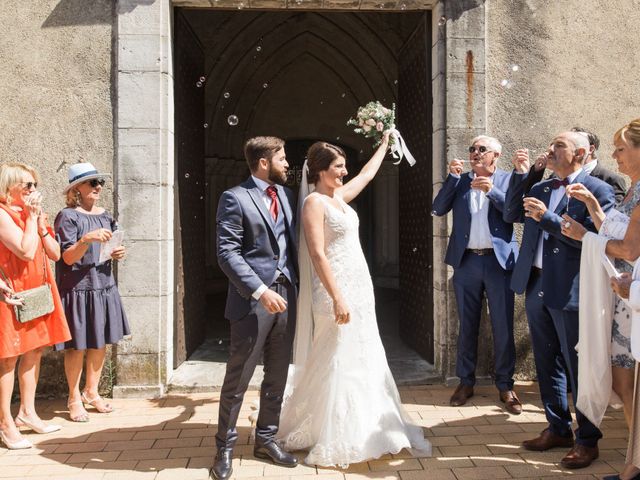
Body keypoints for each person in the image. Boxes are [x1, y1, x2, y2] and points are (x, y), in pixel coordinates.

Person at [277, 134, 430, 467]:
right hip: (334, 291)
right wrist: (337, 297)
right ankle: (336, 431)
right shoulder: (314, 203)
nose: (344, 173)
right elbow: (317, 254)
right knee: (336, 355)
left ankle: (369, 423)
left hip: (360, 288)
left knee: (363, 351)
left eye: (344, 167)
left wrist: (386, 141)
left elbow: (367, 175)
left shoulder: (339, 198)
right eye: (338, 167)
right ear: (319, 171)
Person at [504, 131, 615, 469]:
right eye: (550, 144)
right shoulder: (540, 187)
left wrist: (547, 219)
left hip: (570, 288)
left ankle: (587, 440)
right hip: (535, 282)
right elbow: (510, 212)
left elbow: (598, 242)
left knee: (578, 366)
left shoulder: (598, 190)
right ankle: (557, 428)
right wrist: (526, 175)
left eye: (558, 146)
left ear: (580, 153)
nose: (550, 150)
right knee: (546, 360)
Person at [212, 136, 298, 480]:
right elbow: (227, 253)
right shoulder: (235, 197)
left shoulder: (287, 197)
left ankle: (266, 438)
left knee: (277, 375)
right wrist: (261, 291)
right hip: (252, 301)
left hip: (287, 296)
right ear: (264, 162)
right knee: (239, 377)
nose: (288, 164)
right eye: (282, 158)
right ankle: (225, 448)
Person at [560, 119, 640, 480]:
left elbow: (629, 248)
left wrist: (583, 238)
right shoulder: (632, 190)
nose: (615, 155)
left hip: (631, 300)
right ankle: (635, 463)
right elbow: (613, 229)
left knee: (629, 386)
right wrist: (592, 204)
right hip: (622, 297)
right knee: (624, 387)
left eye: (621, 148)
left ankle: (634, 466)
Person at [431, 135, 521, 414]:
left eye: (482, 149)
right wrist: (451, 178)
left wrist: (492, 191)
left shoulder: (509, 179)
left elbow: (516, 214)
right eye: (472, 149)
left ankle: (506, 385)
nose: (475, 153)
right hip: (467, 262)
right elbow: (437, 208)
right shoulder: (460, 181)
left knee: (503, 326)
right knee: (466, 325)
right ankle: (465, 382)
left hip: (498, 263)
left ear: (496, 155)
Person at [0, 163, 71, 449]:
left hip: (37, 292)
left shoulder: (32, 216)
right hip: (12, 294)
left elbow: (55, 254)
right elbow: (25, 251)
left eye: (35, 185)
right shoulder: (3, 215)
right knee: (8, 358)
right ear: (9, 188)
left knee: (34, 350)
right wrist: (31, 219)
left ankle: (27, 413)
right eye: (27, 186)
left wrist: (41, 226)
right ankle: (5, 423)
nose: (33, 191)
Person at [53, 163, 129, 423]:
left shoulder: (106, 214)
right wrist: (86, 240)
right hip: (78, 288)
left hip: (103, 285)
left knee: (99, 341)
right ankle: (73, 397)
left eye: (100, 183)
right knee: (76, 346)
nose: (98, 187)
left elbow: (112, 245)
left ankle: (91, 392)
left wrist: (118, 252)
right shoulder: (68, 216)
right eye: (92, 183)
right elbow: (66, 256)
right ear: (77, 189)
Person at [520, 127, 626, 201]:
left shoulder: (611, 180)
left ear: (589, 149)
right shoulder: (556, 176)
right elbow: (528, 199)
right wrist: (536, 172)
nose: (551, 149)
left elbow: (610, 220)